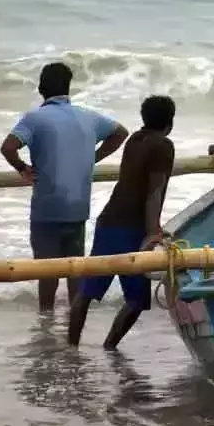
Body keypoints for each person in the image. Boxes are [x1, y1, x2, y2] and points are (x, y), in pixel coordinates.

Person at [0, 62, 128, 313]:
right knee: (75, 269)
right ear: (68, 88)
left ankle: (46, 322)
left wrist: (22, 168)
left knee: (46, 272)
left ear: (41, 88)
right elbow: (121, 132)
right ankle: (74, 323)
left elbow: (8, 147)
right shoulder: (89, 117)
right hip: (78, 207)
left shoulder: (35, 118)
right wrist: (92, 157)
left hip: (47, 208)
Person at [68, 95, 177, 349]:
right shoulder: (163, 145)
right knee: (137, 299)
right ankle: (109, 347)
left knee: (87, 291)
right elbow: (154, 191)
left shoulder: (135, 140)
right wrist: (153, 232)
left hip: (108, 222)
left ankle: (71, 347)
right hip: (131, 228)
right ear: (170, 121)